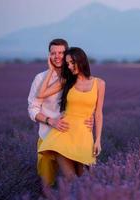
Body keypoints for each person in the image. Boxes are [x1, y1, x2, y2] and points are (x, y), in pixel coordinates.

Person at [27, 39, 94, 189]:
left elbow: (88, 100)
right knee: (47, 185)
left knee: (82, 182)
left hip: (75, 137)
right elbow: (33, 108)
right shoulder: (40, 79)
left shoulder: (75, 77)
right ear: (49, 56)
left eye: (61, 53)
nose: (57, 56)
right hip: (47, 137)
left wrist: (91, 117)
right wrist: (51, 121)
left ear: (67, 54)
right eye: (53, 53)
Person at [37, 47, 105, 183]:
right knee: (72, 181)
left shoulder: (99, 83)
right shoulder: (66, 81)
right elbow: (41, 94)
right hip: (63, 135)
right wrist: (51, 70)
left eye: (72, 62)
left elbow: (98, 113)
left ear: (81, 60)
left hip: (84, 137)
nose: (70, 66)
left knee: (86, 180)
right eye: (67, 64)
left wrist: (98, 140)